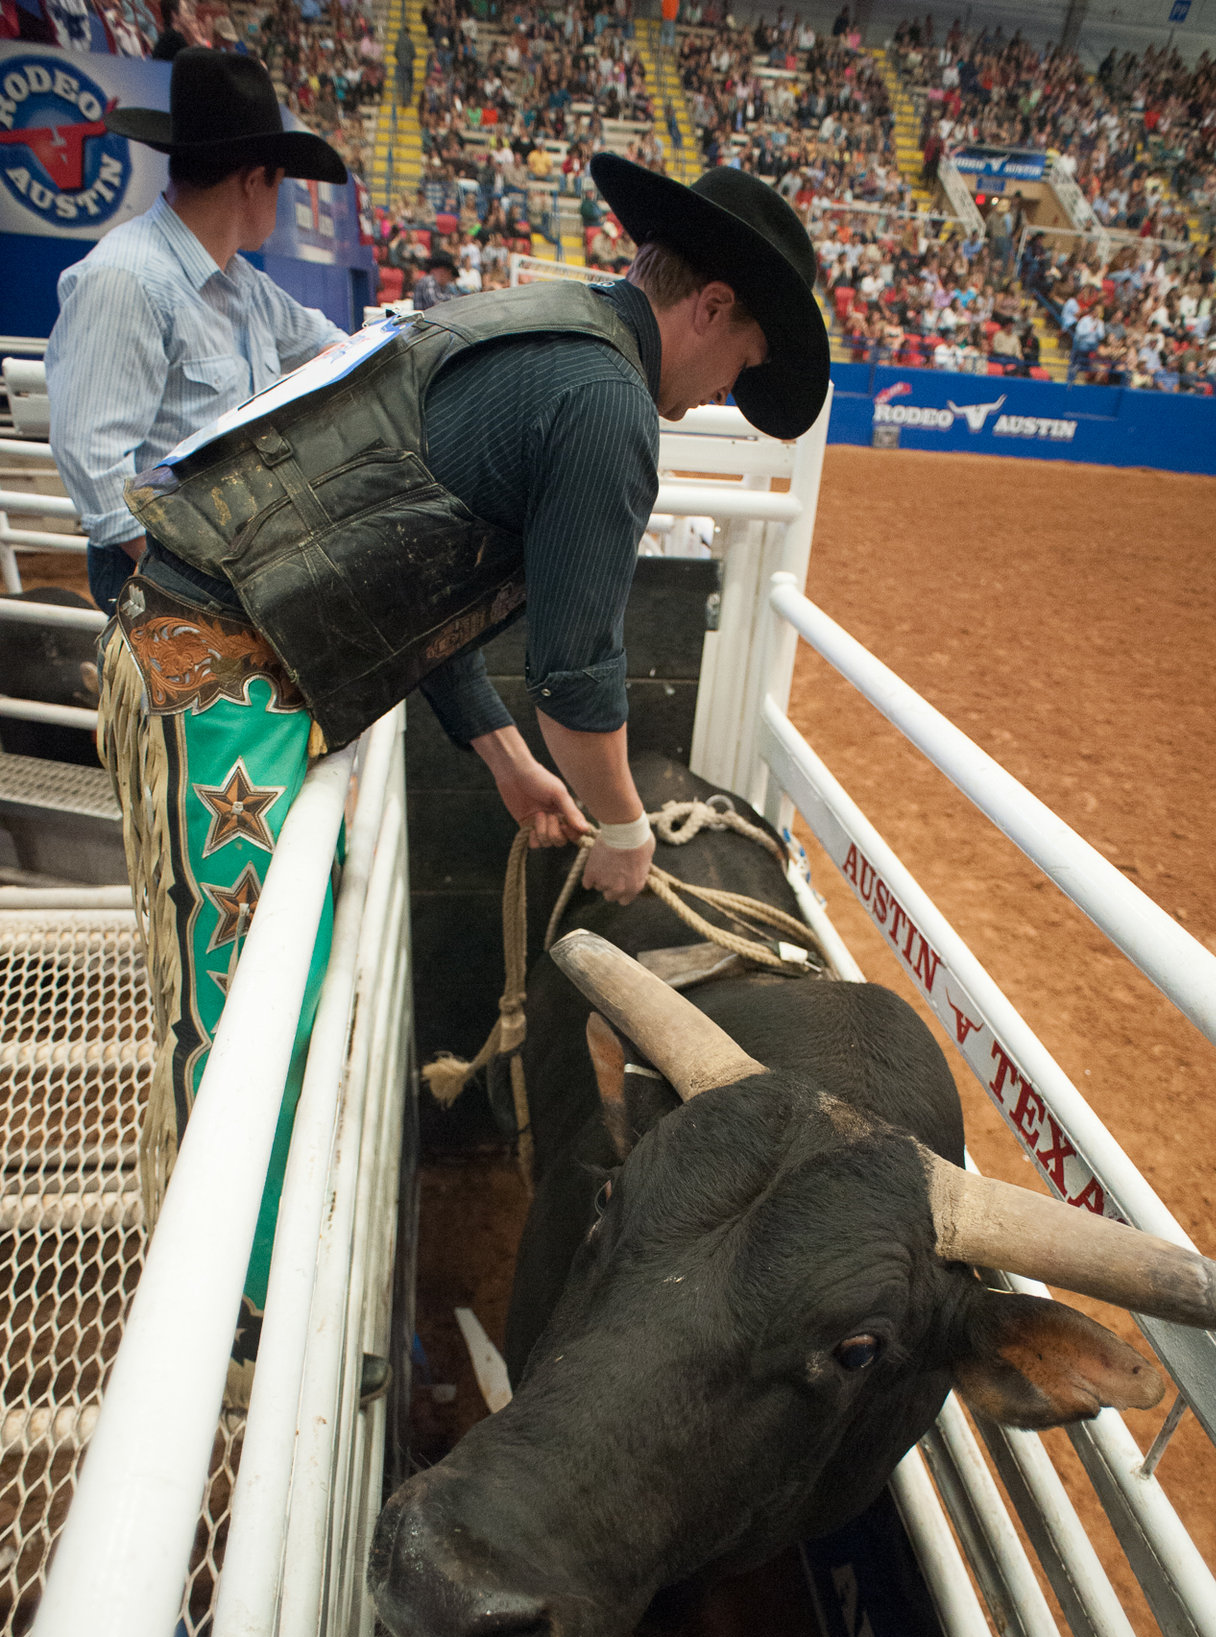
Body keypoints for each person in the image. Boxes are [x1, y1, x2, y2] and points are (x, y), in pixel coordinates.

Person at [99, 157, 829, 1391]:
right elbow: (582, 682)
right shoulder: (605, 405)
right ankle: (234, 1340)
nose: (725, 393)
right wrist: (626, 828)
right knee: (229, 1014)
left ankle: (259, 1293)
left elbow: (397, 574)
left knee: (257, 996)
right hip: (215, 684)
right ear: (711, 307)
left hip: (223, 654)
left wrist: (497, 760)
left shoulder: (529, 327)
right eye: (745, 357)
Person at [46, 50, 348, 619]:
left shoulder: (240, 284)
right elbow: (93, 457)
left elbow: (331, 348)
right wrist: (178, 580)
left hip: (226, 566)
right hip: (169, 578)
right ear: (255, 181)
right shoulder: (127, 280)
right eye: (280, 183)